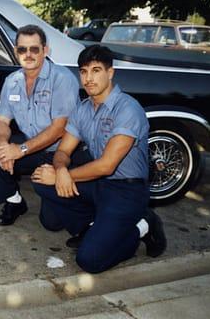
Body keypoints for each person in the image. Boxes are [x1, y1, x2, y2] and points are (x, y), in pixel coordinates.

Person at [32, 45, 167, 273]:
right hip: (98, 185)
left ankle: (143, 225)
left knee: (89, 260)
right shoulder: (82, 109)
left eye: (96, 70)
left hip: (127, 191)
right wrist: (60, 170)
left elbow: (106, 165)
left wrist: (63, 175)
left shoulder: (128, 109)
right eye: (83, 72)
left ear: (110, 73)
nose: (88, 78)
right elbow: (63, 152)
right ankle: (91, 226)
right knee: (40, 180)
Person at [0, 24, 79, 226]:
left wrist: (20, 150)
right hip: (32, 148)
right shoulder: (12, 81)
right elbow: (1, 120)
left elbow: (60, 128)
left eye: (34, 49)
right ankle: (14, 201)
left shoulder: (62, 79)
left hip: (60, 153)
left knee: (52, 223)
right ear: (16, 51)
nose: (28, 54)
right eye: (22, 49)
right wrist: (3, 146)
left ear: (45, 51)